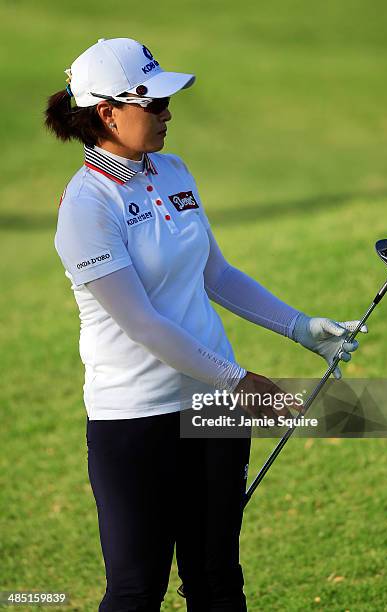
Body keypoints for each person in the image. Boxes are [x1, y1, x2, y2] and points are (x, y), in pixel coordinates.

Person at [45, 37, 366, 612]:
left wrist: (300, 327)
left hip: (209, 412)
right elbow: (140, 322)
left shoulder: (173, 170)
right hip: (134, 422)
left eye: (168, 103)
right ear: (106, 113)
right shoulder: (85, 206)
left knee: (217, 579)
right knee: (137, 589)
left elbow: (216, 273)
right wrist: (239, 382)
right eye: (154, 105)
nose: (168, 114)